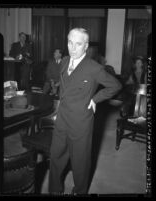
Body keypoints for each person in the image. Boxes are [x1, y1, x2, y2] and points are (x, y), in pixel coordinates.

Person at [49, 28, 122, 195]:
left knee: (80, 163)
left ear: (86, 46)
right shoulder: (65, 60)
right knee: (55, 157)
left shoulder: (94, 68)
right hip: (62, 119)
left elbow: (116, 86)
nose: (73, 48)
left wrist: (95, 99)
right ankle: (55, 190)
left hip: (81, 122)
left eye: (78, 44)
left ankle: (79, 191)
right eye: (70, 42)